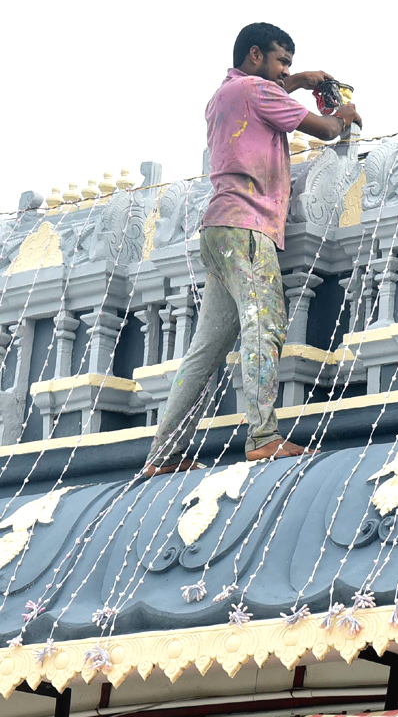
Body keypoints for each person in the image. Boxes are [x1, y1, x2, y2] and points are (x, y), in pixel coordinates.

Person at [142, 23, 361, 477]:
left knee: (205, 349)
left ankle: (163, 453)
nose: (286, 71)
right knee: (266, 323)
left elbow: (269, 96)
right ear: (256, 55)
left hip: (217, 230)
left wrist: (299, 82)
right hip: (248, 227)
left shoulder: (222, 97)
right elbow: (322, 130)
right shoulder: (258, 92)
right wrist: (346, 114)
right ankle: (262, 436)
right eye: (282, 61)